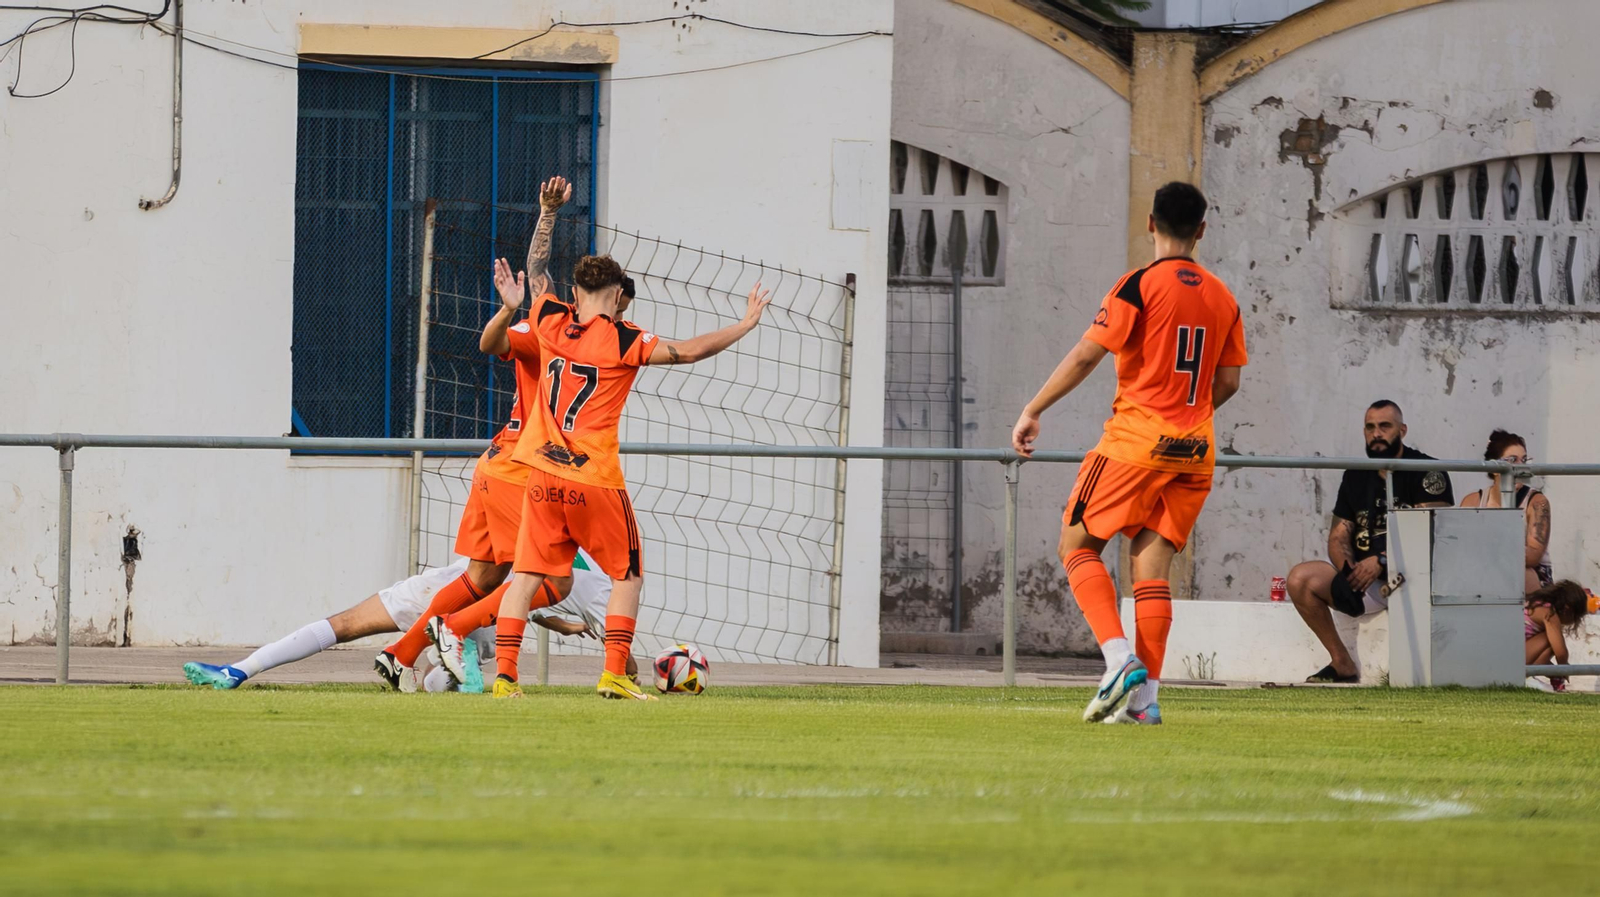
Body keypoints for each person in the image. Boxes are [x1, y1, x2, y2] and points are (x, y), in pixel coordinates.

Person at [435, 232, 769, 701]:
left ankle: (506, 680)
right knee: (627, 575)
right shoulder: (623, 337)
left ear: (574, 294)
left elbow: (535, 272)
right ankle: (613, 674)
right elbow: (690, 350)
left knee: (526, 577)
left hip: (543, 476)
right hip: (593, 479)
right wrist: (745, 323)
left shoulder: (549, 320)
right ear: (617, 296)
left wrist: (547, 215)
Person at [1011, 181, 1247, 726]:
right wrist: (1189, 416)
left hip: (1136, 442)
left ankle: (1119, 661)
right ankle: (1146, 702)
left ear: (1150, 224)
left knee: (1076, 545)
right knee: (1152, 569)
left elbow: (1087, 355)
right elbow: (1229, 382)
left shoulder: (1139, 284)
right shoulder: (1223, 296)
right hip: (1194, 453)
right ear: (1202, 230)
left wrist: (1034, 408)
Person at [371, 176, 573, 689]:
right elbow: (501, 327)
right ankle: (452, 628)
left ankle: (401, 653)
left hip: (498, 466)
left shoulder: (586, 337)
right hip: (516, 472)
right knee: (556, 579)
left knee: (481, 576)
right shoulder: (550, 329)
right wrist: (545, 216)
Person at [180, 553, 609, 691]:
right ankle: (438, 672)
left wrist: (558, 624)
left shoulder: (538, 516)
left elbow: (525, 589)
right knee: (446, 674)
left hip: (440, 589)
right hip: (477, 620)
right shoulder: (600, 582)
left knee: (344, 623)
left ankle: (240, 670)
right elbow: (620, 656)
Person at [1286, 400, 1454, 684]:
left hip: (1416, 577)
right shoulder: (1355, 474)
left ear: (1402, 430)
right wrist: (1349, 570)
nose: (1376, 433)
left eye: (1385, 426)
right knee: (1300, 579)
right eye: (1370, 427)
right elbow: (1339, 535)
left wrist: (1382, 560)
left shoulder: (1427, 470)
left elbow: (1434, 532)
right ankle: (1342, 664)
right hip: (1370, 584)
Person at [1459, 429, 1551, 594]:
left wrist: (1486, 550)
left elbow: (1532, 557)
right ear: (1495, 468)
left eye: (1524, 460)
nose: (1520, 468)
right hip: (1483, 577)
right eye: (1512, 460)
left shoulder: (1537, 502)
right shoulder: (1472, 501)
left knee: (1523, 574)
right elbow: (1461, 550)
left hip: (1529, 584)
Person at [1523, 580, 1594, 693]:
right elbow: (1560, 651)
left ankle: (1531, 675)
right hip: (1515, 658)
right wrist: (1563, 668)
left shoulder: (1538, 603)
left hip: (1513, 653)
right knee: (1551, 641)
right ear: (1567, 609)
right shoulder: (1549, 613)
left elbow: (1540, 656)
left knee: (1550, 642)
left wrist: (1553, 672)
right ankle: (1527, 676)